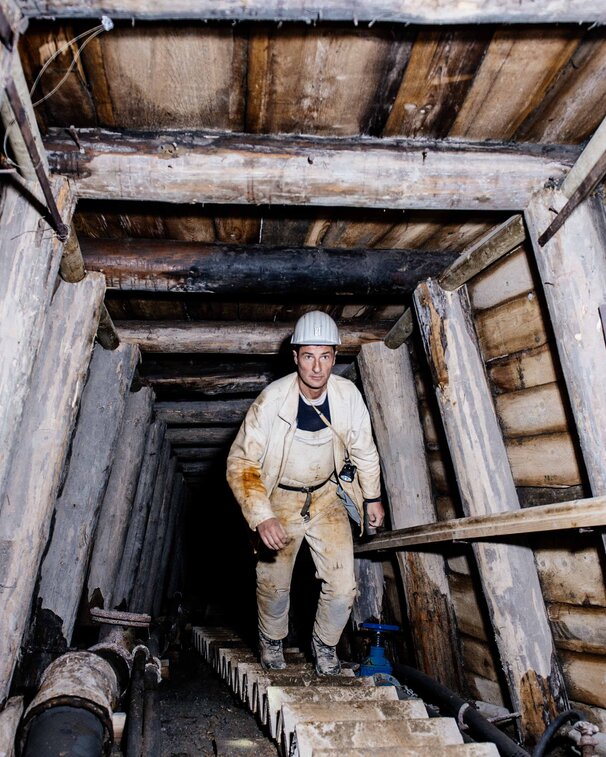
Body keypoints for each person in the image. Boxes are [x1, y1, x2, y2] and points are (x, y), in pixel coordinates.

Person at [226, 311, 384, 675]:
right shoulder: (271, 401)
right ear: (295, 356)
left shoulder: (347, 397)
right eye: (309, 356)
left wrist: (372, 497)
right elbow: (241, 462)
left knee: (344, 585)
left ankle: (325, 646)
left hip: (327, 497)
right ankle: (271, 639)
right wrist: (261, 515)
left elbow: (364, 450)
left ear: (334, 357)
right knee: (273, 583)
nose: (317, 367)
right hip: (280, 498)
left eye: (325, 356)